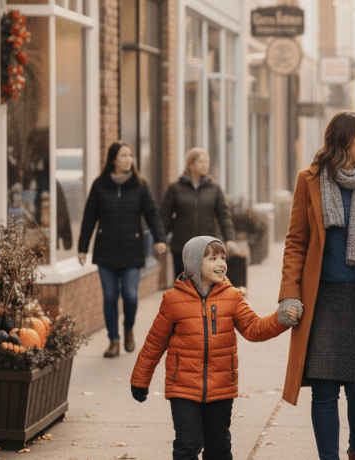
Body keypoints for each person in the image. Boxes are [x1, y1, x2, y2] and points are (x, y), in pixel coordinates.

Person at [277, 111, 355, 460]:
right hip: (321, 301)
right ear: (344, 140)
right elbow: (296, 242)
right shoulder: (309, 180)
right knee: (324, 391)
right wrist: (289, 294)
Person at [130, 236, 299, 460]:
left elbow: (254, 329)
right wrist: (140, 381)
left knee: (219, 449)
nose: (221, 263)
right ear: (194, 264)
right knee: (187, 446)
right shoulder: (173, 300)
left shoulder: (232, 297)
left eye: (222, 258)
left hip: (221, 387)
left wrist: (281, 319)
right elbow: (154, 343)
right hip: (183, 387)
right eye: (213, 259)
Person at [78, 140, 167, 358]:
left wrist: (159, 238)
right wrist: (82, 248)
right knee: (110, 296)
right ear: (114, 160)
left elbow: (152, 213)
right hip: (105, 250)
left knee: (130, 296)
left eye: (130, 156)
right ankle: (114, 340)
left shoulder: (140, 185)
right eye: (124, 156)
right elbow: (89, 217)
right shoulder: (100, 185)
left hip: (132, 250)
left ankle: (128, 328)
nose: (128, 160)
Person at [160, 147, 242, 279]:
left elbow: (224, 216)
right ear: (191, 165)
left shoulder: (214, 189)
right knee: (184, 285)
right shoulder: (176, 188)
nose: (205, 165)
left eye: (206, 162)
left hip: (207, 248)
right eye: (200, 162)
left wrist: (229, 239)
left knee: (205, 284)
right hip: (182, 247)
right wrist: (160, 239)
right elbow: (164, 216)